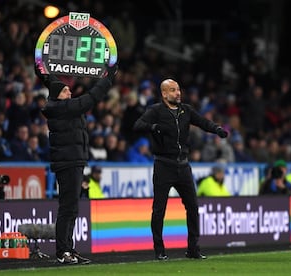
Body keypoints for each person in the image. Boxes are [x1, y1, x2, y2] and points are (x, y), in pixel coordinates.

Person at [133, 78, 229, 260]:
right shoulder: (155, 110)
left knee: (193, 207)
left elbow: (202, 121)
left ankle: (193, 249)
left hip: (183, 165)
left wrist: (216, 128)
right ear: (164, 94)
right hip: (163, 165)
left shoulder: (186, 110)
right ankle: (159, 250)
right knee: (159, 209)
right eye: (172, 90)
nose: (177, 93)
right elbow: (137, 126)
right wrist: (154, 127)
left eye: (178, 90)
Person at [36, 61, 117, 265]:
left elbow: (50, 80)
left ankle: (68, 249)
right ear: (57, 95)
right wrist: (108, 78)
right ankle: (62, 251)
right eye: (65, 91)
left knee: (71, 208)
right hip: (69, 162)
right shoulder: (62, 108)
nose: (69, 93)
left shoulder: (61, 105)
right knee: (67, 208)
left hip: (74, 161)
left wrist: (41, 68)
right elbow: (91, 98)